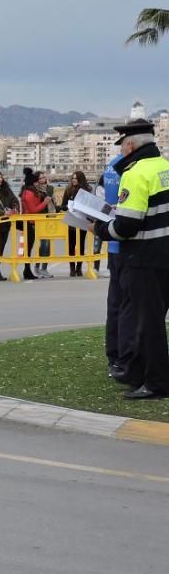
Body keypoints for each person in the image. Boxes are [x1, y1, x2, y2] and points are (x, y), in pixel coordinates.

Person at [93, 119, 169, 400]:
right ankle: (138, 374)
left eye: (123, 146)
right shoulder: (165, 167)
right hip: (164, 255)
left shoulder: (135, 174)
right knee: (155, 319)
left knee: (147, 324)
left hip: (144, 259)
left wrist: (98, 228)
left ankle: (156, 382)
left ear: (130, 146)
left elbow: (126, 226)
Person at [101, 152, 134, 381]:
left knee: (115, 305)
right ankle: (126, 359)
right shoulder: (136, 169)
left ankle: (114, 357)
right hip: (131, 247)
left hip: (113, 246)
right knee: (132, 308)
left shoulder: (111, 166)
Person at [18, 168, 52, 280]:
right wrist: (44, 203)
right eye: (37, 181)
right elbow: (33, 209)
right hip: (30, 222)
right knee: (28, 248)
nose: (38, 183)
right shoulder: (29, 193)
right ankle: (27, 270)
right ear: (33, 183)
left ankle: (27, 270)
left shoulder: (28, 192)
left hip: (30, 222)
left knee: (29, 247)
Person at [61, 171, 92, 276]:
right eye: (73, 178)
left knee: (81, 244)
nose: (74, 180)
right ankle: (72, 267)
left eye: (76, 178)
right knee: (71, 244)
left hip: (82, 221)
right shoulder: (68, 190)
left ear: (80, 179)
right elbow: (63, 205)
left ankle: (79, 267)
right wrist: (70, 206)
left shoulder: (87, 190)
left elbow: (90, 206)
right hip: (72, 221)